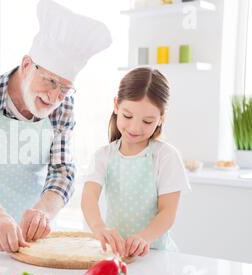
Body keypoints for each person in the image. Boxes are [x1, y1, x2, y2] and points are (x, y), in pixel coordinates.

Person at [0, 0, 112, 253]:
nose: (54, 97)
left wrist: (43, 212)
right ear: (27, 65)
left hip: (32, 241)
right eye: (50, 81)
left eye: (64, 88)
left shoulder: (64, 105)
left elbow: (62, 170)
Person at [81, 67, 191, 258]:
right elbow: (88, 198)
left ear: (161, 118)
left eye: (147, 121)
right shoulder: (103, 156)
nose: (135, 127)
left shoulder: (165, 156)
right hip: (117, 255)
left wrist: (144, 238)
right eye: (128, 116)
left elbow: (168, 212)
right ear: (116, 105)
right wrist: (99, 227)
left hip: (156, 255)